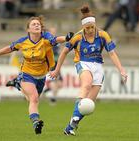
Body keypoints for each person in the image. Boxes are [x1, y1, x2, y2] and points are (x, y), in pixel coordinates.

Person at [0, 16, 73, 135]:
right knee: (34, 98)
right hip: (27, 74)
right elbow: (9, 48)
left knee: (31, 99)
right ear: (28, 29)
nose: (37, 25)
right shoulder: (22, 42)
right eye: (34, 24)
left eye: (38, 24)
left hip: (41, 76)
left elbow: (57, 39)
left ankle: (17, 85)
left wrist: (66, 38)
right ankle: (36, 122)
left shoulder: (46, 37)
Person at [50, 4, 128, 136]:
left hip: (98, 67)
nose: (91, 30)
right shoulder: (77, 37)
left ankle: (70, 126)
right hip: (82, 63)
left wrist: (121, 70)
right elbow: (63, 52)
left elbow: (112, 54)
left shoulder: (103, 35)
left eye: (92, 27)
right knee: (86, 85)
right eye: (88, 28)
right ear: (83, 27)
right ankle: (74, 119)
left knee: (88, 104)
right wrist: (57, 70)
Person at [43, 27, 63, 105]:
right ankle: (53, 99)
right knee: (54, 81)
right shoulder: (47, 41)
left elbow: (59, 52)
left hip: (57, 64)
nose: (53, 33)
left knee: (60, 84)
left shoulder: (57, 41)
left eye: (54, 31)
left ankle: (47, 90)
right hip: (52, 64)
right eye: (52, 31)